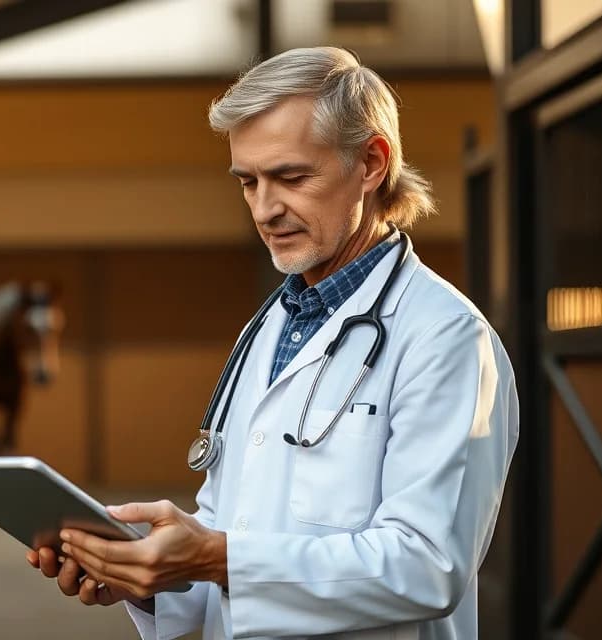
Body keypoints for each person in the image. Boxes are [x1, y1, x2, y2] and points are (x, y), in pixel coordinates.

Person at [26, 46, 518, 639]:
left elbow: (428, 565)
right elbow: (234, 523)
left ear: (370, 163)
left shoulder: (445, 339)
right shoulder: (271, 328)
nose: (265, 209)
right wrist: (149, 577)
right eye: (248, 182)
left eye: (291, 177)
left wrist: (214, 557)